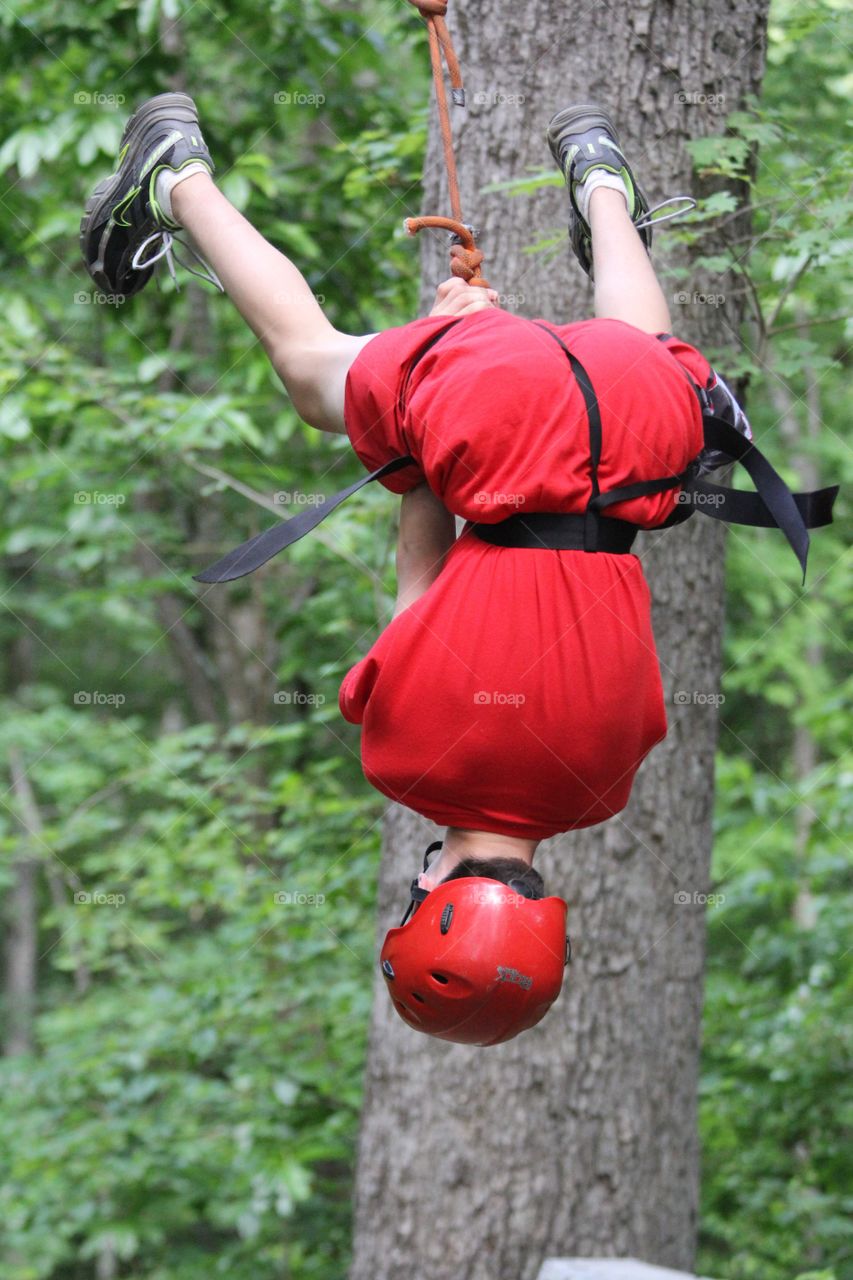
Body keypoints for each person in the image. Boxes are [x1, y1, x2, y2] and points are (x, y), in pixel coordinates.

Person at [79, 96, 772, 1045]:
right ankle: (175, 179)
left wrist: (464, 365)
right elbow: (422, 558)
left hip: (629, 435)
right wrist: (433, 396)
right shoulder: (406, 764)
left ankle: (601, 179)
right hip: (497, 420)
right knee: (312, 367)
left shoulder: (605, 784)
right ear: (434, 890)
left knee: (646, 358)